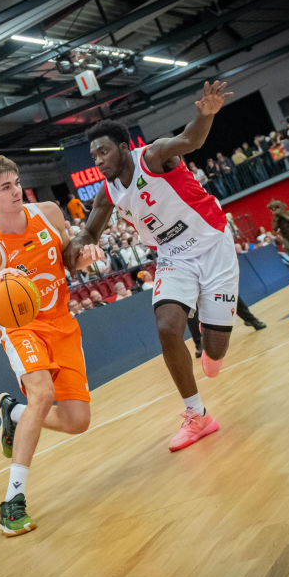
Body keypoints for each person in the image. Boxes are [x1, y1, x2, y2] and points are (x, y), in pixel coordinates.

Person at [69, 81, 235, 455]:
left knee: (213, 358)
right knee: (166, 327)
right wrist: (75, 249)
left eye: (103, 151)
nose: (97, 160)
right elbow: (89, 232)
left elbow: (190, 140)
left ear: (124, 148)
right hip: (174, 254)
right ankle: (198, 416)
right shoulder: (107, 192)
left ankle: (212, 346)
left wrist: (204, 114)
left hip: (213, 244)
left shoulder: (153, 156)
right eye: (93, 155)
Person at [0, 155, 99, 536]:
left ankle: (12, 414)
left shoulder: (48, 213)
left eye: (16, 182)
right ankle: (13, 501)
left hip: (62, 323)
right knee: (42, 395)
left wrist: (84, 257)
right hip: (21, 326)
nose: (16, 190)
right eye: (5, 187)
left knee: (78, 422)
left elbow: (69, 258)